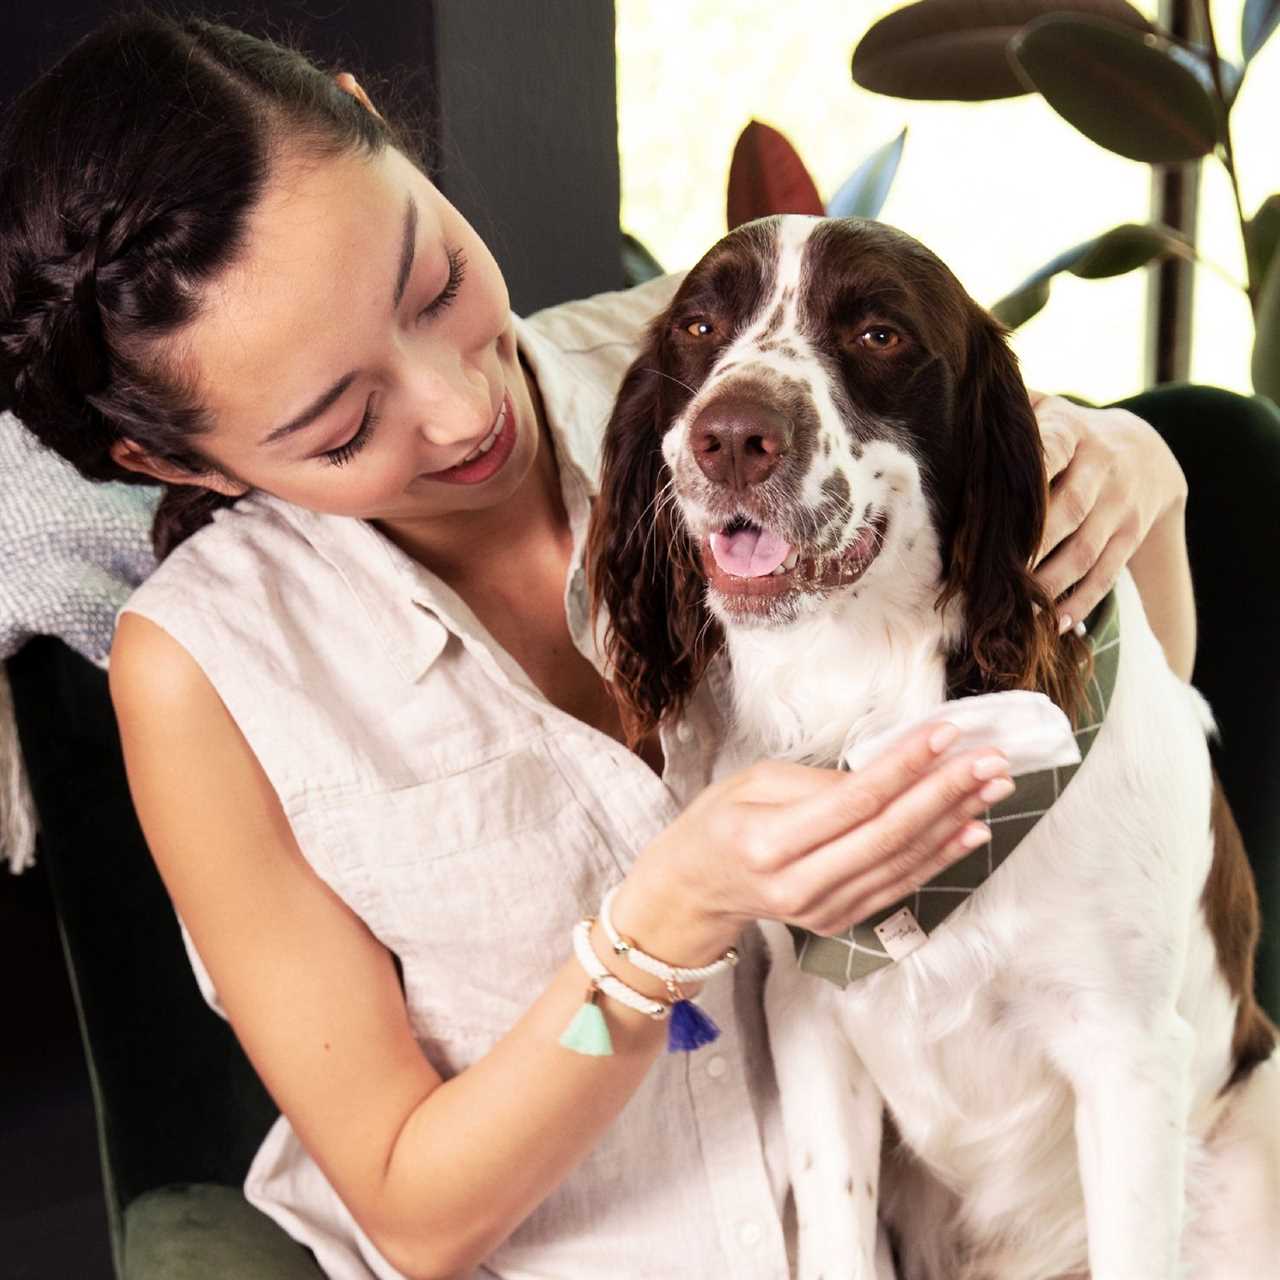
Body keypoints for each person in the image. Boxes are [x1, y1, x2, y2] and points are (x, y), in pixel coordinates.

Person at [0, 14, 1197, 1279]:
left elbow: (1125, 758)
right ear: (170, 459)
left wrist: (1145, 485)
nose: (466, 409)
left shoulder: (711, 381)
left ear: (383, 128)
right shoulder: (205, 669)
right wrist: (671, 912)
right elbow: (413, 1208)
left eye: (435, 285)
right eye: (344, 425)